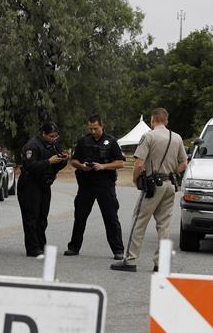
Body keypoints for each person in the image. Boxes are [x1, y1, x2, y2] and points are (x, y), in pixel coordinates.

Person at [111, 107, 187, 272]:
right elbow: (183, 163)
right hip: (169, 184)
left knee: (139, 222)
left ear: (152, 121)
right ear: (166, 121)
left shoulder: (149, 136)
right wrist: (172, 172)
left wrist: (135, 178)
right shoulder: (177, 138)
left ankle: (130, 260)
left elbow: (139, 163)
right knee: (164, 225)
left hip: (153, 185)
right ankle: (161, 263)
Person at [64, 114, 125, 259]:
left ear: (102, 126)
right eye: (90, 128)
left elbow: (120, 163)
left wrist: (103, 166)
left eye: (95, 128)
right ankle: (74, 247)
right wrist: (82, 166)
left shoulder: (111, 142)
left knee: (111, 218)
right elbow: (74, 161)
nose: (93, 131)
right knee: (80, 217)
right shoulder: (83, 141)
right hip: (86, 184)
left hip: (105, 184)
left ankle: (118, 250)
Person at [17, 121, 69, 259]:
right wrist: (48, 162)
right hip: (29, 184)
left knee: (42, 217)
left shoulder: (54, 146)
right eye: (51, 136)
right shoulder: (32, 146)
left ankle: (41, 245)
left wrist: (63, 160)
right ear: (44, 133)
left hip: (44, 184)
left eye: (55, 136)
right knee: (31, 217)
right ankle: (33, 248)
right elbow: (30, 166)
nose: (53, 139)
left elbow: (55, 167)